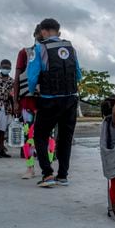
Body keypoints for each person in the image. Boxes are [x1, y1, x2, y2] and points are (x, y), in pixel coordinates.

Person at [27, 18, 82, 187]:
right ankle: (63, 176)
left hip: (49, 100)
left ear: (43, 31)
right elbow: (78, 74)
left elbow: (32, 77)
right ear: (58, 31)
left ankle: (47, 174)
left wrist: (32, 91)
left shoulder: (39, 48)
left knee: (40, 136)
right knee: (65, 138)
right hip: (71, 99)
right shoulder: (71, 47)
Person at [14, 24, 43, 179]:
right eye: (40, 33)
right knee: (29, 134)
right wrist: (16, 101)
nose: (42, 36)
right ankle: (30, 168)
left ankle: (48, 169)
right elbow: (17, 78)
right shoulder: (25, 52)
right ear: (36, 34)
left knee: (49, 136)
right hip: (27, 101)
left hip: (47, 101)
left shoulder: (51, 53)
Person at [0, 59, 14, 158]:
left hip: (5, 108)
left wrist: (14, 109)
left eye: (7, 67)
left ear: (10, 68)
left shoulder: (11, 81)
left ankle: (1, 150)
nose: (6, 68)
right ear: (0, 66)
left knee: (2, 130)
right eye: (4, 67)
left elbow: (12, 96)